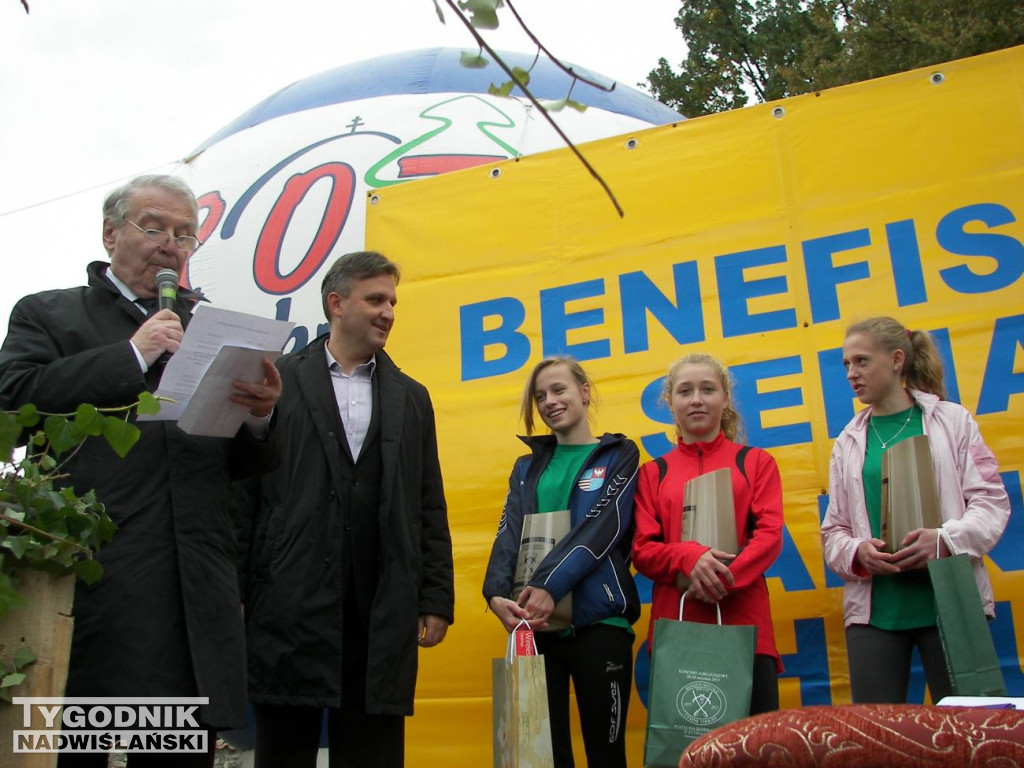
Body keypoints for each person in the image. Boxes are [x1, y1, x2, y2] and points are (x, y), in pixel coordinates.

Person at [0, 174, 282, 767]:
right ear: (111, 234)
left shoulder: (211, 323)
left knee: (179, 749)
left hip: (193, 579)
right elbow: (13, 404)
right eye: (153, 227)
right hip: (99, 570)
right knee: (81, 742)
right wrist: (133, 354)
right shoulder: (50, 314)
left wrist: (258, 417)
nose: (170, 244)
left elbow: (242, 467)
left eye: (185, 233)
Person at [243, 250, 455, 768]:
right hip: (291, 599)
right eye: (376, 299)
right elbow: (245, 490)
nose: (388, 312)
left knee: (373, 750)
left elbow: (428, 500)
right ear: (336, 303)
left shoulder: (411, 397)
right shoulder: (277, 381)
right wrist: (241, 590)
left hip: (380, 604)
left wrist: (435, 597)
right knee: (285, 745)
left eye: (392, 301)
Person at [821, 317, 1010, 704]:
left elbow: (992, 502)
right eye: (846, 365)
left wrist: (942, 542)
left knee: (968, 735)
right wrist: (859, 553)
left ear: (896, 359)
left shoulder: (952, 421)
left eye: (861, 361)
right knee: (874, 741)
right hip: (875, 612)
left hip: (952, 602)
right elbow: (834, 532)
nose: (851, 374)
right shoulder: (847, 441)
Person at [483, 356, 640, 768]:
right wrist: (496, 594)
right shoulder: (526, 467)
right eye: (540, 396)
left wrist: (549, 586)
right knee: (543, 758)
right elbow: (508, 534)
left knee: (606, 755)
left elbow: (602, 527)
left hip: (599, 624)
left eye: (559, 390)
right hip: (536, 628)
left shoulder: (620, 454)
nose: (550, 401)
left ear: (584, 393)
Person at [632, 352, 784, 715]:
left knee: (756, 749)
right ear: (671, 403)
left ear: (725, 399)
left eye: (708, 389)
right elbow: (642, 549)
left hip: (746, 630)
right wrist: (689, 557)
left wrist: (722, 578)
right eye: (685, 391)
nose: (697, 399)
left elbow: (769, 536)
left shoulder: (756, 462)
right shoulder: (653, 473)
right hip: (679, 629)